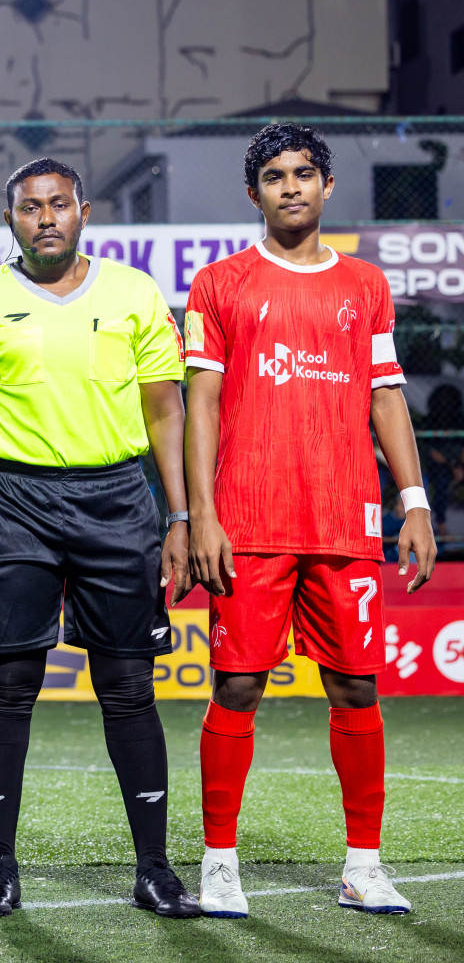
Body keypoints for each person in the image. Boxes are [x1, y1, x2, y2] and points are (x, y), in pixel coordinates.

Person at [0, 157, 201, 919]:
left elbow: (166, 415)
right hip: (13, 501)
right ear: (9, 219)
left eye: (58, 204)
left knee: (128, 687)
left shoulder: (134, 293)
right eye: (28, 207)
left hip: (118, 502)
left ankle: (155, 870)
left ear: (84, 211)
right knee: (7, 687)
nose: (45, 217)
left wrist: (179, 518)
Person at [186, 123, 436, 917]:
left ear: (327, 187)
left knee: (357, 690)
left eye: (303, 173)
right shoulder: (220, 283)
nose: (290, 186)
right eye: (274, 176)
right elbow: (201, 405)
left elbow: (386, 395)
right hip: (249, 522)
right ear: (253, 193)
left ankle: (364, 865)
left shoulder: (365, 286)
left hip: (343, 520)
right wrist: (200, 515)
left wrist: (416, 502)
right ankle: (219, 863)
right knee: (237, 684)